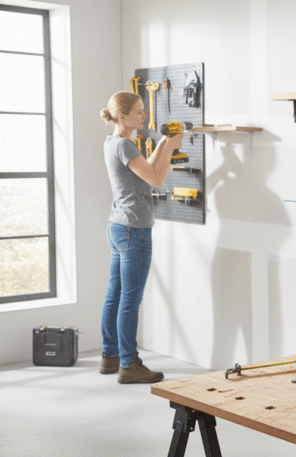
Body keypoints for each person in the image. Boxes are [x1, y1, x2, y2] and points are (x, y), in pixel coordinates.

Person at [99, 91, 183, 384]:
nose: (144, 117)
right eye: (139, 112)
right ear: (123, 117)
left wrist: (161, 144)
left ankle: (110, 357)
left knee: (115, 295)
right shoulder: (124, 144)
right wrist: (171, 149)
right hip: (134, 230)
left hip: (117, 226)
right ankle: (129, 364)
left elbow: (144, 169)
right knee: (130, 301)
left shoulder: (114, 143)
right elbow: (156, 178)